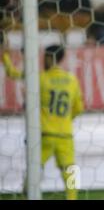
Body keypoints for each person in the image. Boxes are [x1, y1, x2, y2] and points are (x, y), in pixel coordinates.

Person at [1, 43, 84, 200]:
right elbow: (79, 108)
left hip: (44, 133)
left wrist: (5, 57)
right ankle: (73, 198)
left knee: (34, 168)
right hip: (65, 134)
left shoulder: (40, 78)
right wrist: (66, 119)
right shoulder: (72, 80)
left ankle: (27, 194)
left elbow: (13, 73)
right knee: (71, 169)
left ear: (48, 58)